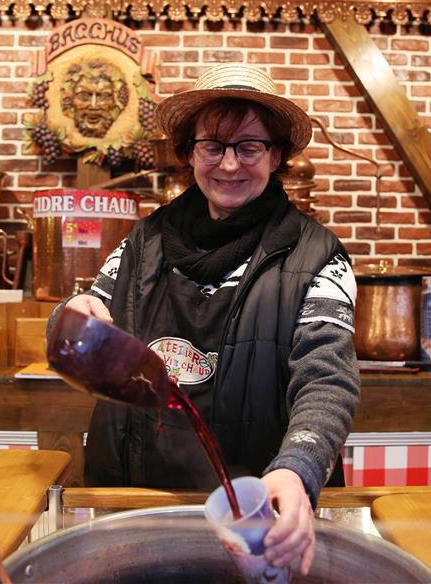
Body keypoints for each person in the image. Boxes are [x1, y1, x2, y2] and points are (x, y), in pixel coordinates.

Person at [48, 64, 360, 575]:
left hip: (257, 514)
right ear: (190, 154)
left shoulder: (318, 256)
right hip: (142, 504)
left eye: (249, 147)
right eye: (212, 146)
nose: (230, 164)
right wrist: (70, 318)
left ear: (276, 155)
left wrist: (298, 469)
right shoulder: (141, 243)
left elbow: (327, 380)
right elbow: (85, 318)